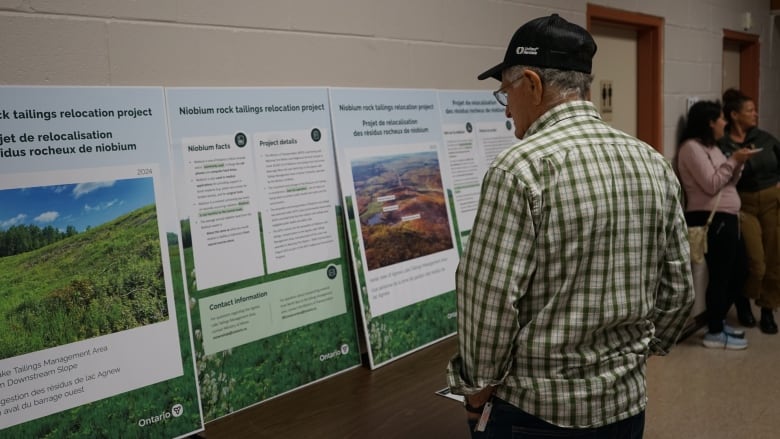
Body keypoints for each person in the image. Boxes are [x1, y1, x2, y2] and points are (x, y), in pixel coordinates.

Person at [446, 14, 695, 438]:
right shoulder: (652, 162)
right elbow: (678, 293)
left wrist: (476, 391)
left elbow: (487, 302)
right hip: (626, 407)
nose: (506, 108)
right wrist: (628, 360)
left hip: (534, 413)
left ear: (533, 83)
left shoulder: (519, 169)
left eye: (506, 91)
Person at [676, 100, 758, 349]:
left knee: (740, 270)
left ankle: (718, 321)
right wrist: (733, 159)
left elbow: (728, 180)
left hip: (728, 217)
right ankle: (713, 330)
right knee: (722, 275)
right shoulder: (691, 148)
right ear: (709, 122)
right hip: (711, 218)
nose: (725, 123)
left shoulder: (711, 147)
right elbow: (711, 184)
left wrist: (738, 163)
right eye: (721, 119)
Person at [717, 88, 780, 335]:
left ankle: (767, 308)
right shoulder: (723, 144)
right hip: (744, 204)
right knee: (756, 263)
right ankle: (743, 300)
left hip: (773, 201)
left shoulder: (765, 139)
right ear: (734, 115)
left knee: (775, 258)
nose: (755, 114)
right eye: (750, 110)